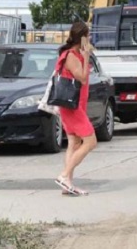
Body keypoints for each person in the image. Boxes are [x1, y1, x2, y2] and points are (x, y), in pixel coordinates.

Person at [54, 22, 96, 197]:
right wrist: (86, 56)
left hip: (75, 104)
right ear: (82, 37)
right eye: (89, 35)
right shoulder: (71, 55)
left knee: (74, 142)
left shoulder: (74, 53)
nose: (91, 38)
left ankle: (67, 184)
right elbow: (83, 79)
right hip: (72, 106)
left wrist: (86, 54)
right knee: (90, 142)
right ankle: (64, 175)